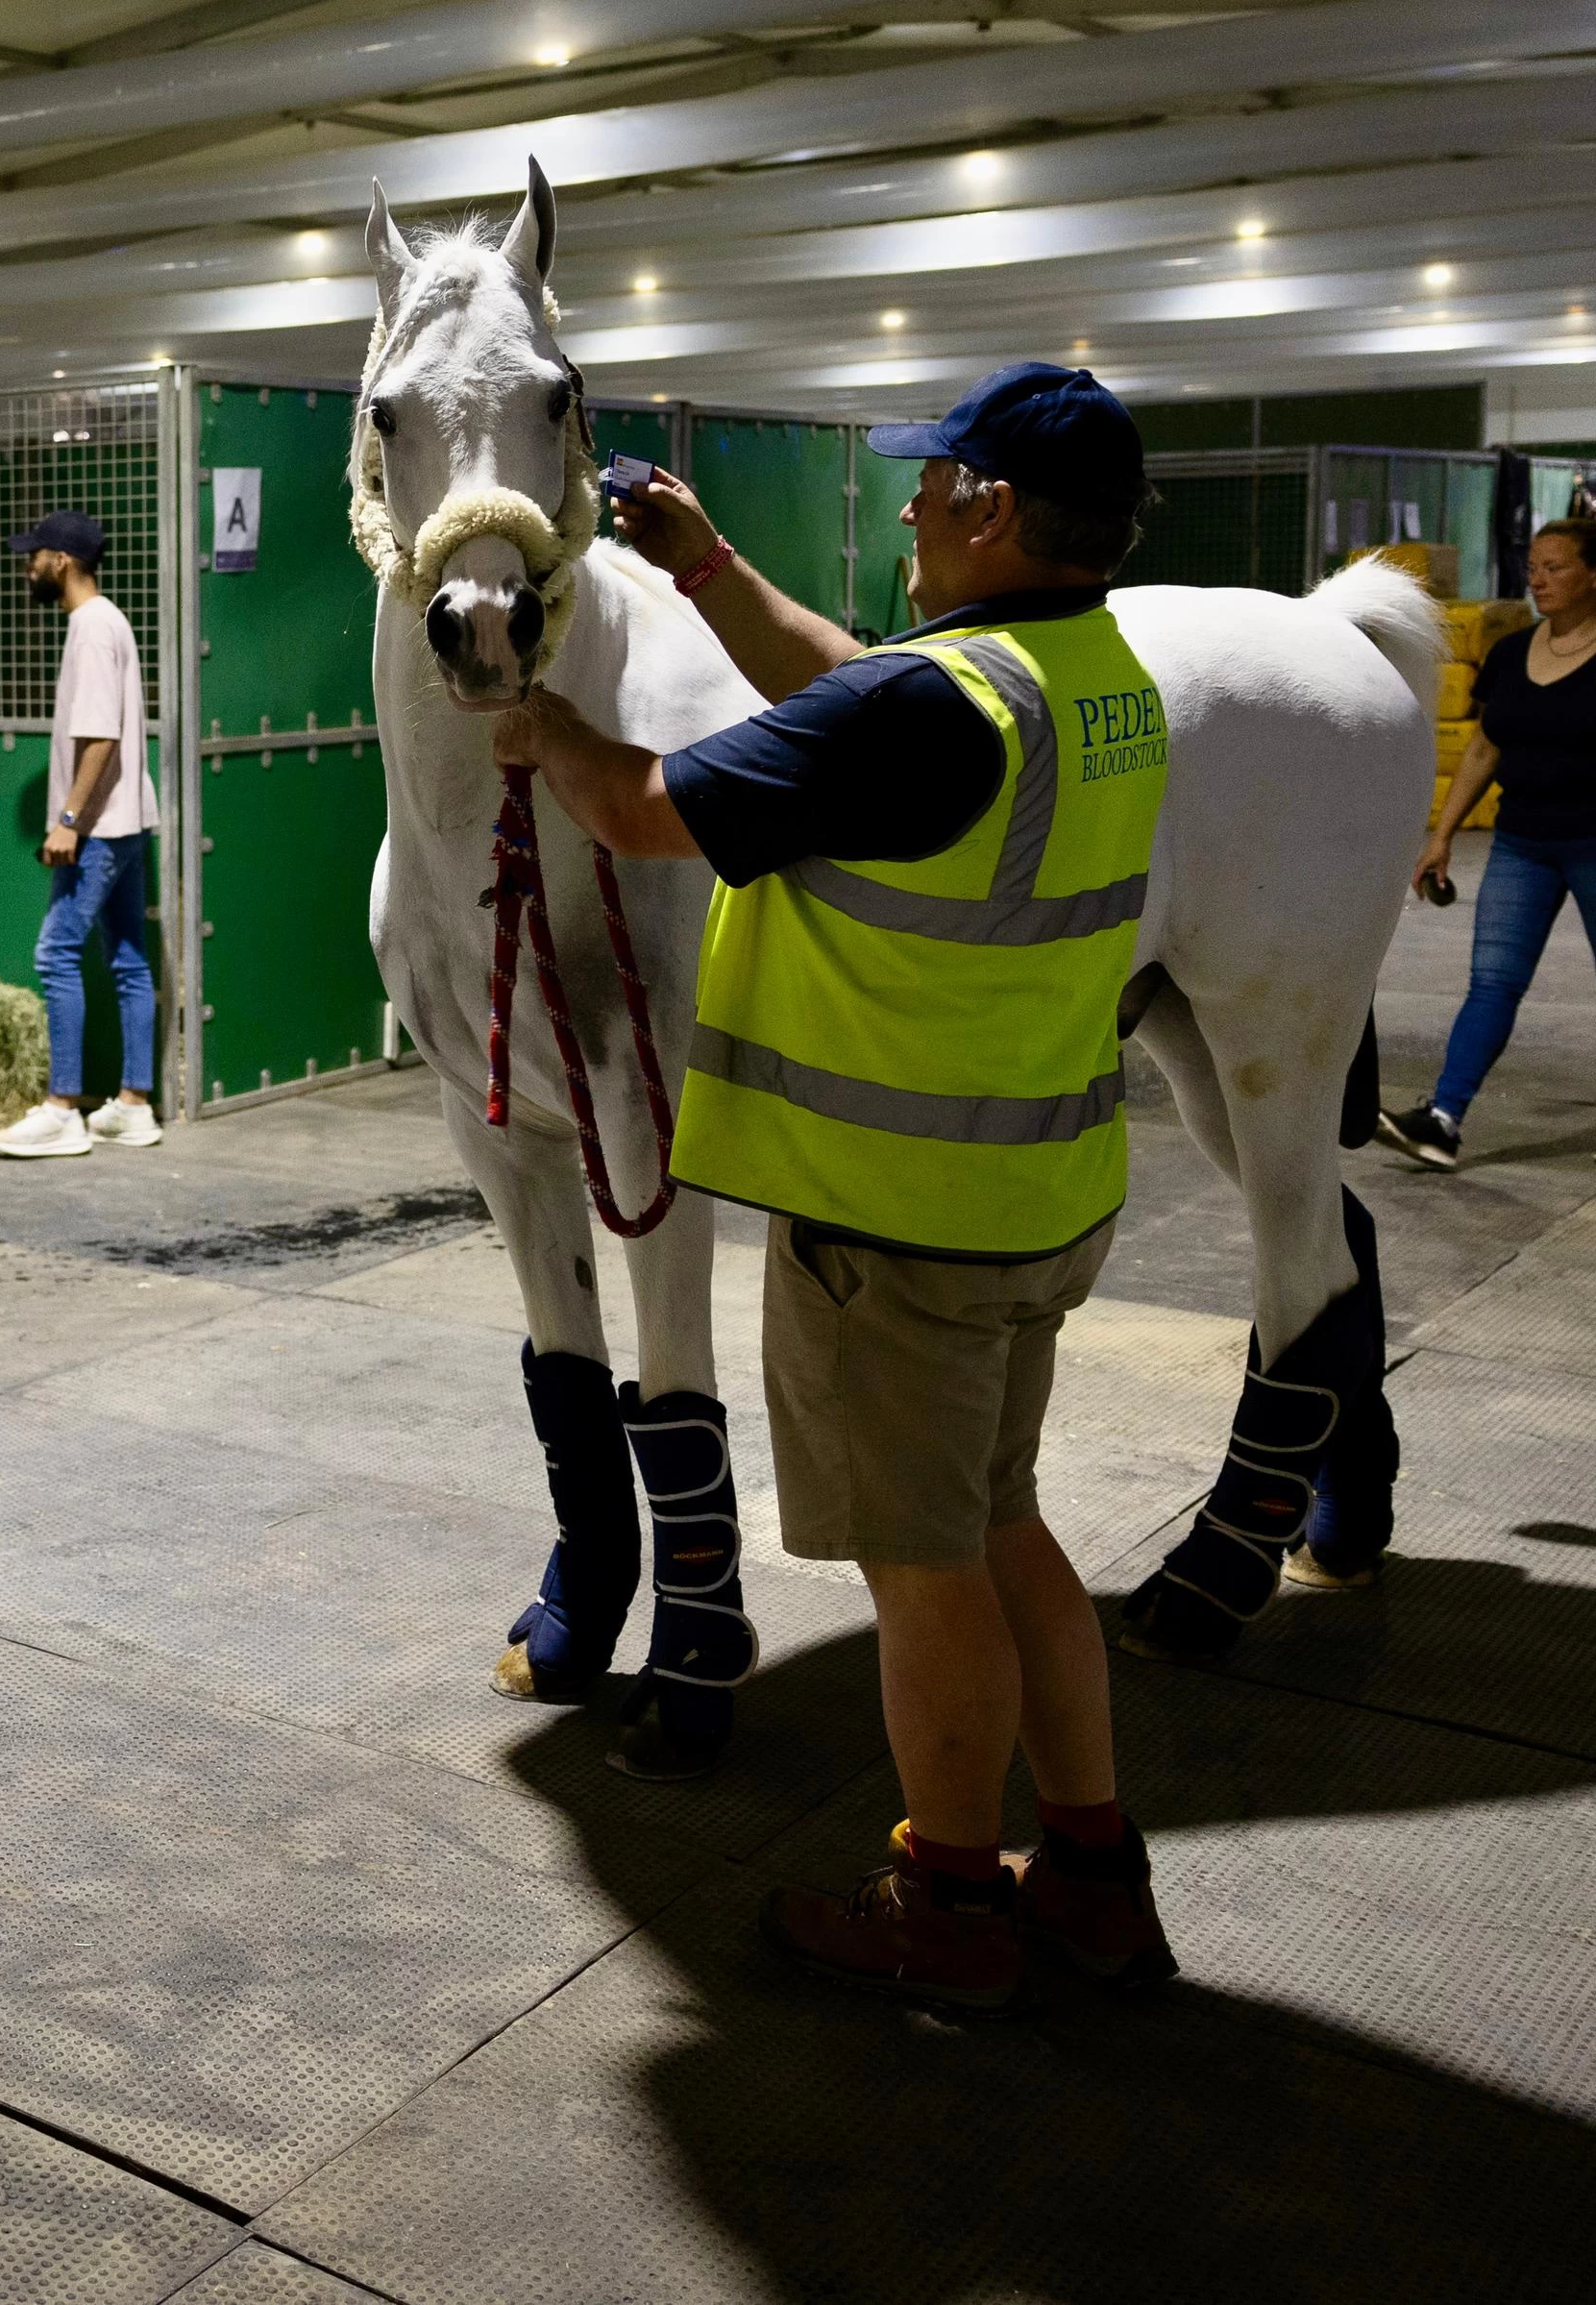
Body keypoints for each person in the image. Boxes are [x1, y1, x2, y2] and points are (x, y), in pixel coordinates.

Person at [495, 364, 1176, 2011]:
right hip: (1034, 1194)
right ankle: (1093, 1870)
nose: (911, 508)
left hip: (897, 1230)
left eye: (931, 484)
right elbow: (862, 686)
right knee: (1002, 1525)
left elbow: (643, 810)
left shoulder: (929, 712)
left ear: (991, 507)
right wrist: (710, 568)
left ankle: (949, 1903)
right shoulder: (1088, 677)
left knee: (923, 1576)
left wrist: (548, 727)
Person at [1381, 518, 1596, 1173]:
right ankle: (1443, 1120)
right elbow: (1483, 749)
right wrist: (1441, 836)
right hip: (1522, 843)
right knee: (1492, 982)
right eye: (1533, 567)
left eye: (1555, 567)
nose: (1537, 579)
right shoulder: (1511, 654)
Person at [0, 508, 160, 1158]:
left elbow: (99, 738)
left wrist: (68, 822)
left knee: (56, 954)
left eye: (35, 555)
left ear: (61, 561)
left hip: (97, 829)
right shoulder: (109, 621)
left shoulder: (89, 629)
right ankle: (133, 1106)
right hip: (127, 821)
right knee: (128, 958)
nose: (27, 566)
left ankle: (63, 1110)